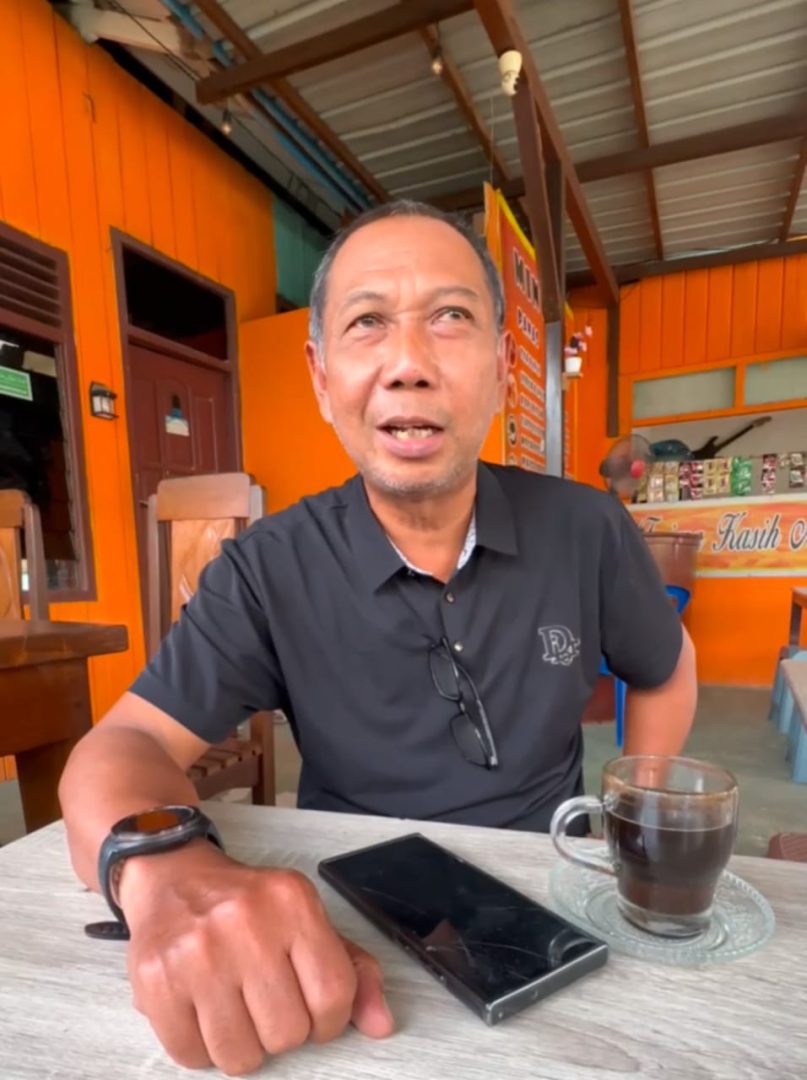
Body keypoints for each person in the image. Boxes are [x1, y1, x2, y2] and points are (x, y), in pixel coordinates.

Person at [59, 200, 697, 1075]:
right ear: (321, 377)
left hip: (550, 898)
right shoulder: (265, 569)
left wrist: (634, 815)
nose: (407, 364)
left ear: (500, 364)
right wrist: (166, 872)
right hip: (345, 915)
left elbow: (664, 668)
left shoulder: (586, 528)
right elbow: (124, 743)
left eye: (450, 317)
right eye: (367, 323)